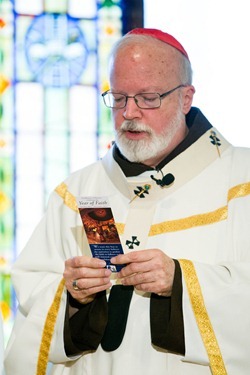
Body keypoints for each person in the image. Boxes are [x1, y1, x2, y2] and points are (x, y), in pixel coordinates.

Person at [4, 27, 250, 375]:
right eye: (118, 98)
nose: (129, 113)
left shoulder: (242, 181)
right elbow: (32, 306)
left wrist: (180, 280)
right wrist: (74, 297)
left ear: (185, 98)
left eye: (147, 98)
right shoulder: (74, 193)